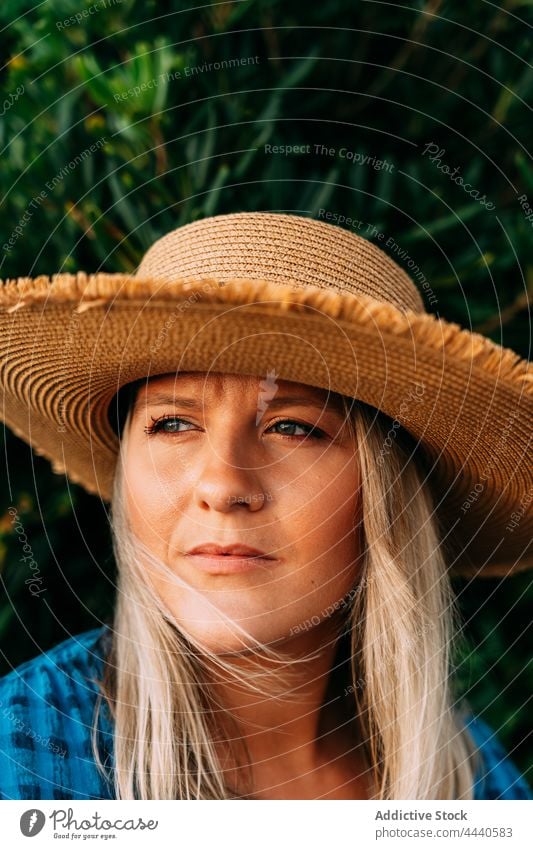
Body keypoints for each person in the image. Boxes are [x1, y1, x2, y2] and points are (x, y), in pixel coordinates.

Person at [0, 212, 531, 800]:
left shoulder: (477, 782)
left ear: (388, 497)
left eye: (293, 428)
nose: (223, 484)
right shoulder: (23, 754)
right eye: (172, 423)